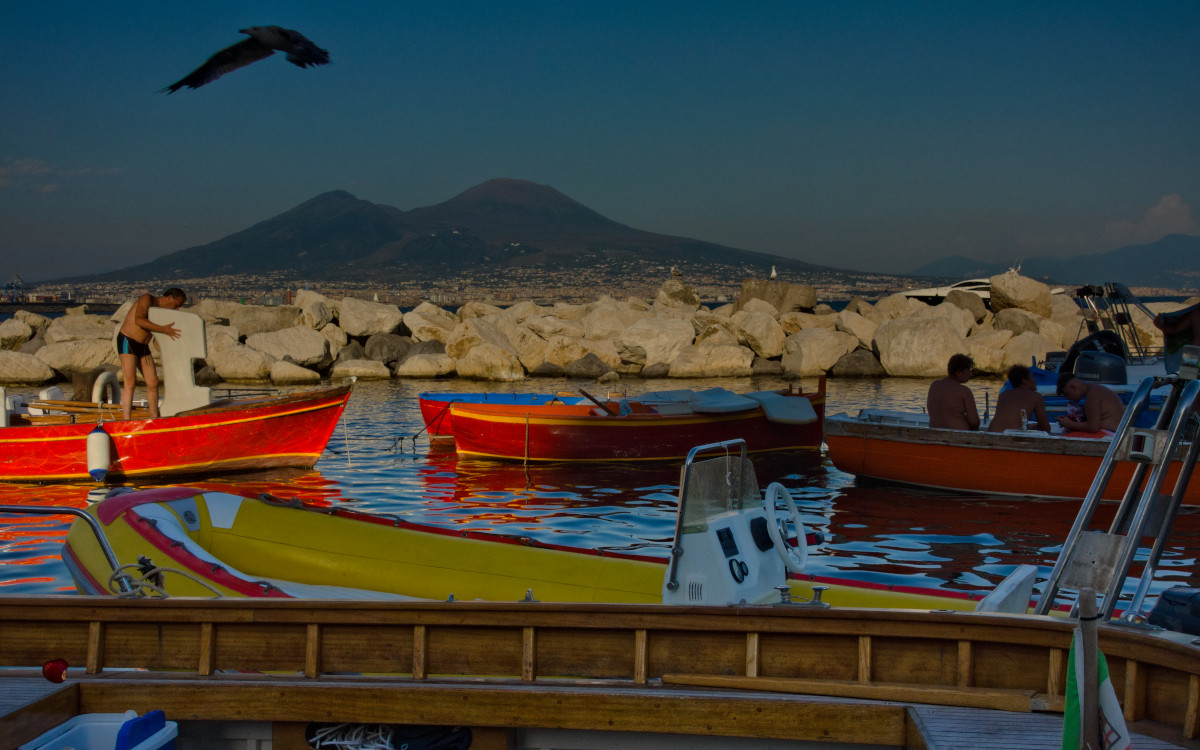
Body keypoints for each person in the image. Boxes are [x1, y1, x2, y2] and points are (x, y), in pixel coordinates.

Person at [118, 288, 186, 419]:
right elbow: (139, 320)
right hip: (128, 341)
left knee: (153, 382)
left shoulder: (164, 312)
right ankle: (126, 420)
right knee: (131, 382)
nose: (177, 309)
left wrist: (171, 353)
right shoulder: (147, 299)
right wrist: (164, 329)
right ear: (169, 297)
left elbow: (156, 341)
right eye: (176, 305)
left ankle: (154, 417)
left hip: (143, 346)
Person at [1054, 373, 1124, 436]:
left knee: (1065, 437)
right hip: (1113, 433)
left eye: (1067, 394)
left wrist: (1069, 424)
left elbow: (1093, 427)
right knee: (1066, 432)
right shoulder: (1095, 389)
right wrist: (1071, 419)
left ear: (1073, 387)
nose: (1067, 398)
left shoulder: (1093, 394)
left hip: (1108, 434)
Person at [987, 364, 1051, 433]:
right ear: (1024, 381)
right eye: (1032, 377)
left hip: (992, 433)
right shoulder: (1036, 397)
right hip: (1011, 438)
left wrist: (1028, 426)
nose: (1034, 380)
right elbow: (1045, 428)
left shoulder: (1003, 395)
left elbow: (1009, 421)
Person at [927, 353, 980, 430]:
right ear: (958, 373)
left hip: (934, 434)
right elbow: (974, 422)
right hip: (959, 437)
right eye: (968, 370)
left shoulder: (934, 385)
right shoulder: (964, 391)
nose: (970, 374)